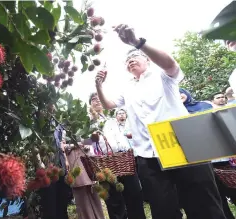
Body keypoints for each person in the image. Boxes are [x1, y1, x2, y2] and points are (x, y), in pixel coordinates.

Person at [95, 23, 226, 219]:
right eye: (127, 60)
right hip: (148, 156)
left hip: (182, 146)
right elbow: (108, 105)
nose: (130, 60)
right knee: (162, 209)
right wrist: (99, 85)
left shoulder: (161, 75)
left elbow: (171, 64)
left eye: (134, 56)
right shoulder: (127, 87)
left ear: (146, 59)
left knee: (203, 205)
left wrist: (138, 43)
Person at [88, 93, 146, 219]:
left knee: (134, 193)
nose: (97, 101)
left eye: (98, 98)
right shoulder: (88, 121)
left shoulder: (112, 118)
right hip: (105, 162)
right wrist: (92, 137)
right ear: (90, 104)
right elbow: (85, 141)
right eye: (93, 99)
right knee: (114, 200)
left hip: (124, 159)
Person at [179, 88, 235, 219]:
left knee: (232, 189)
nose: (178, 95)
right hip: (202, 161)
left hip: (222, 156)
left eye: (180, 92)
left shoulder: (205, 105)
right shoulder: (175, 111)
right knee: (215, 194)